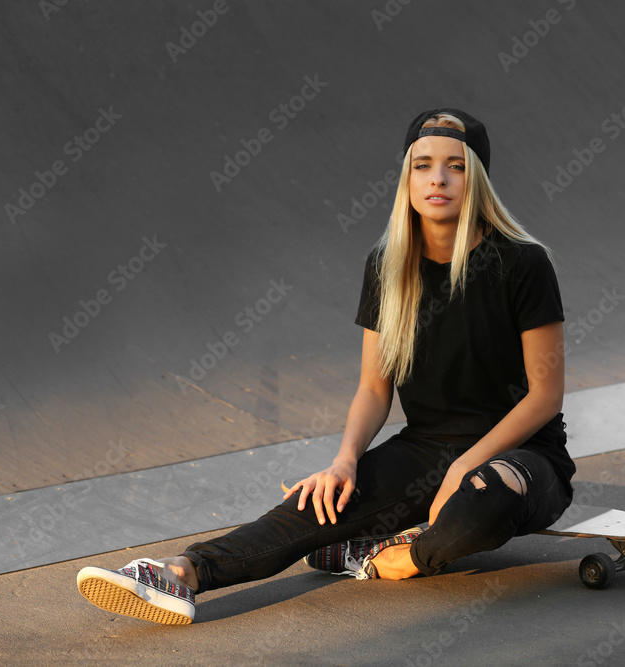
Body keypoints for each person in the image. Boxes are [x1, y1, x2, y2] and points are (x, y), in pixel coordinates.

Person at [76, 108, 575, 625]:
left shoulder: (522, 263)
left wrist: (461, 466)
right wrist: (344, 461)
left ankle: (397, 557)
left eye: (456, 166)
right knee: (316, 505)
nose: (438, 179)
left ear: (478, 178)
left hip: (522, 456)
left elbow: (545, 395)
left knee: (483, 498)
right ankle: (182, 574)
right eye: (423, 165)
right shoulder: (388, 265)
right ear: (407, 176)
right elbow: (374, 390)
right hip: (423, 449)